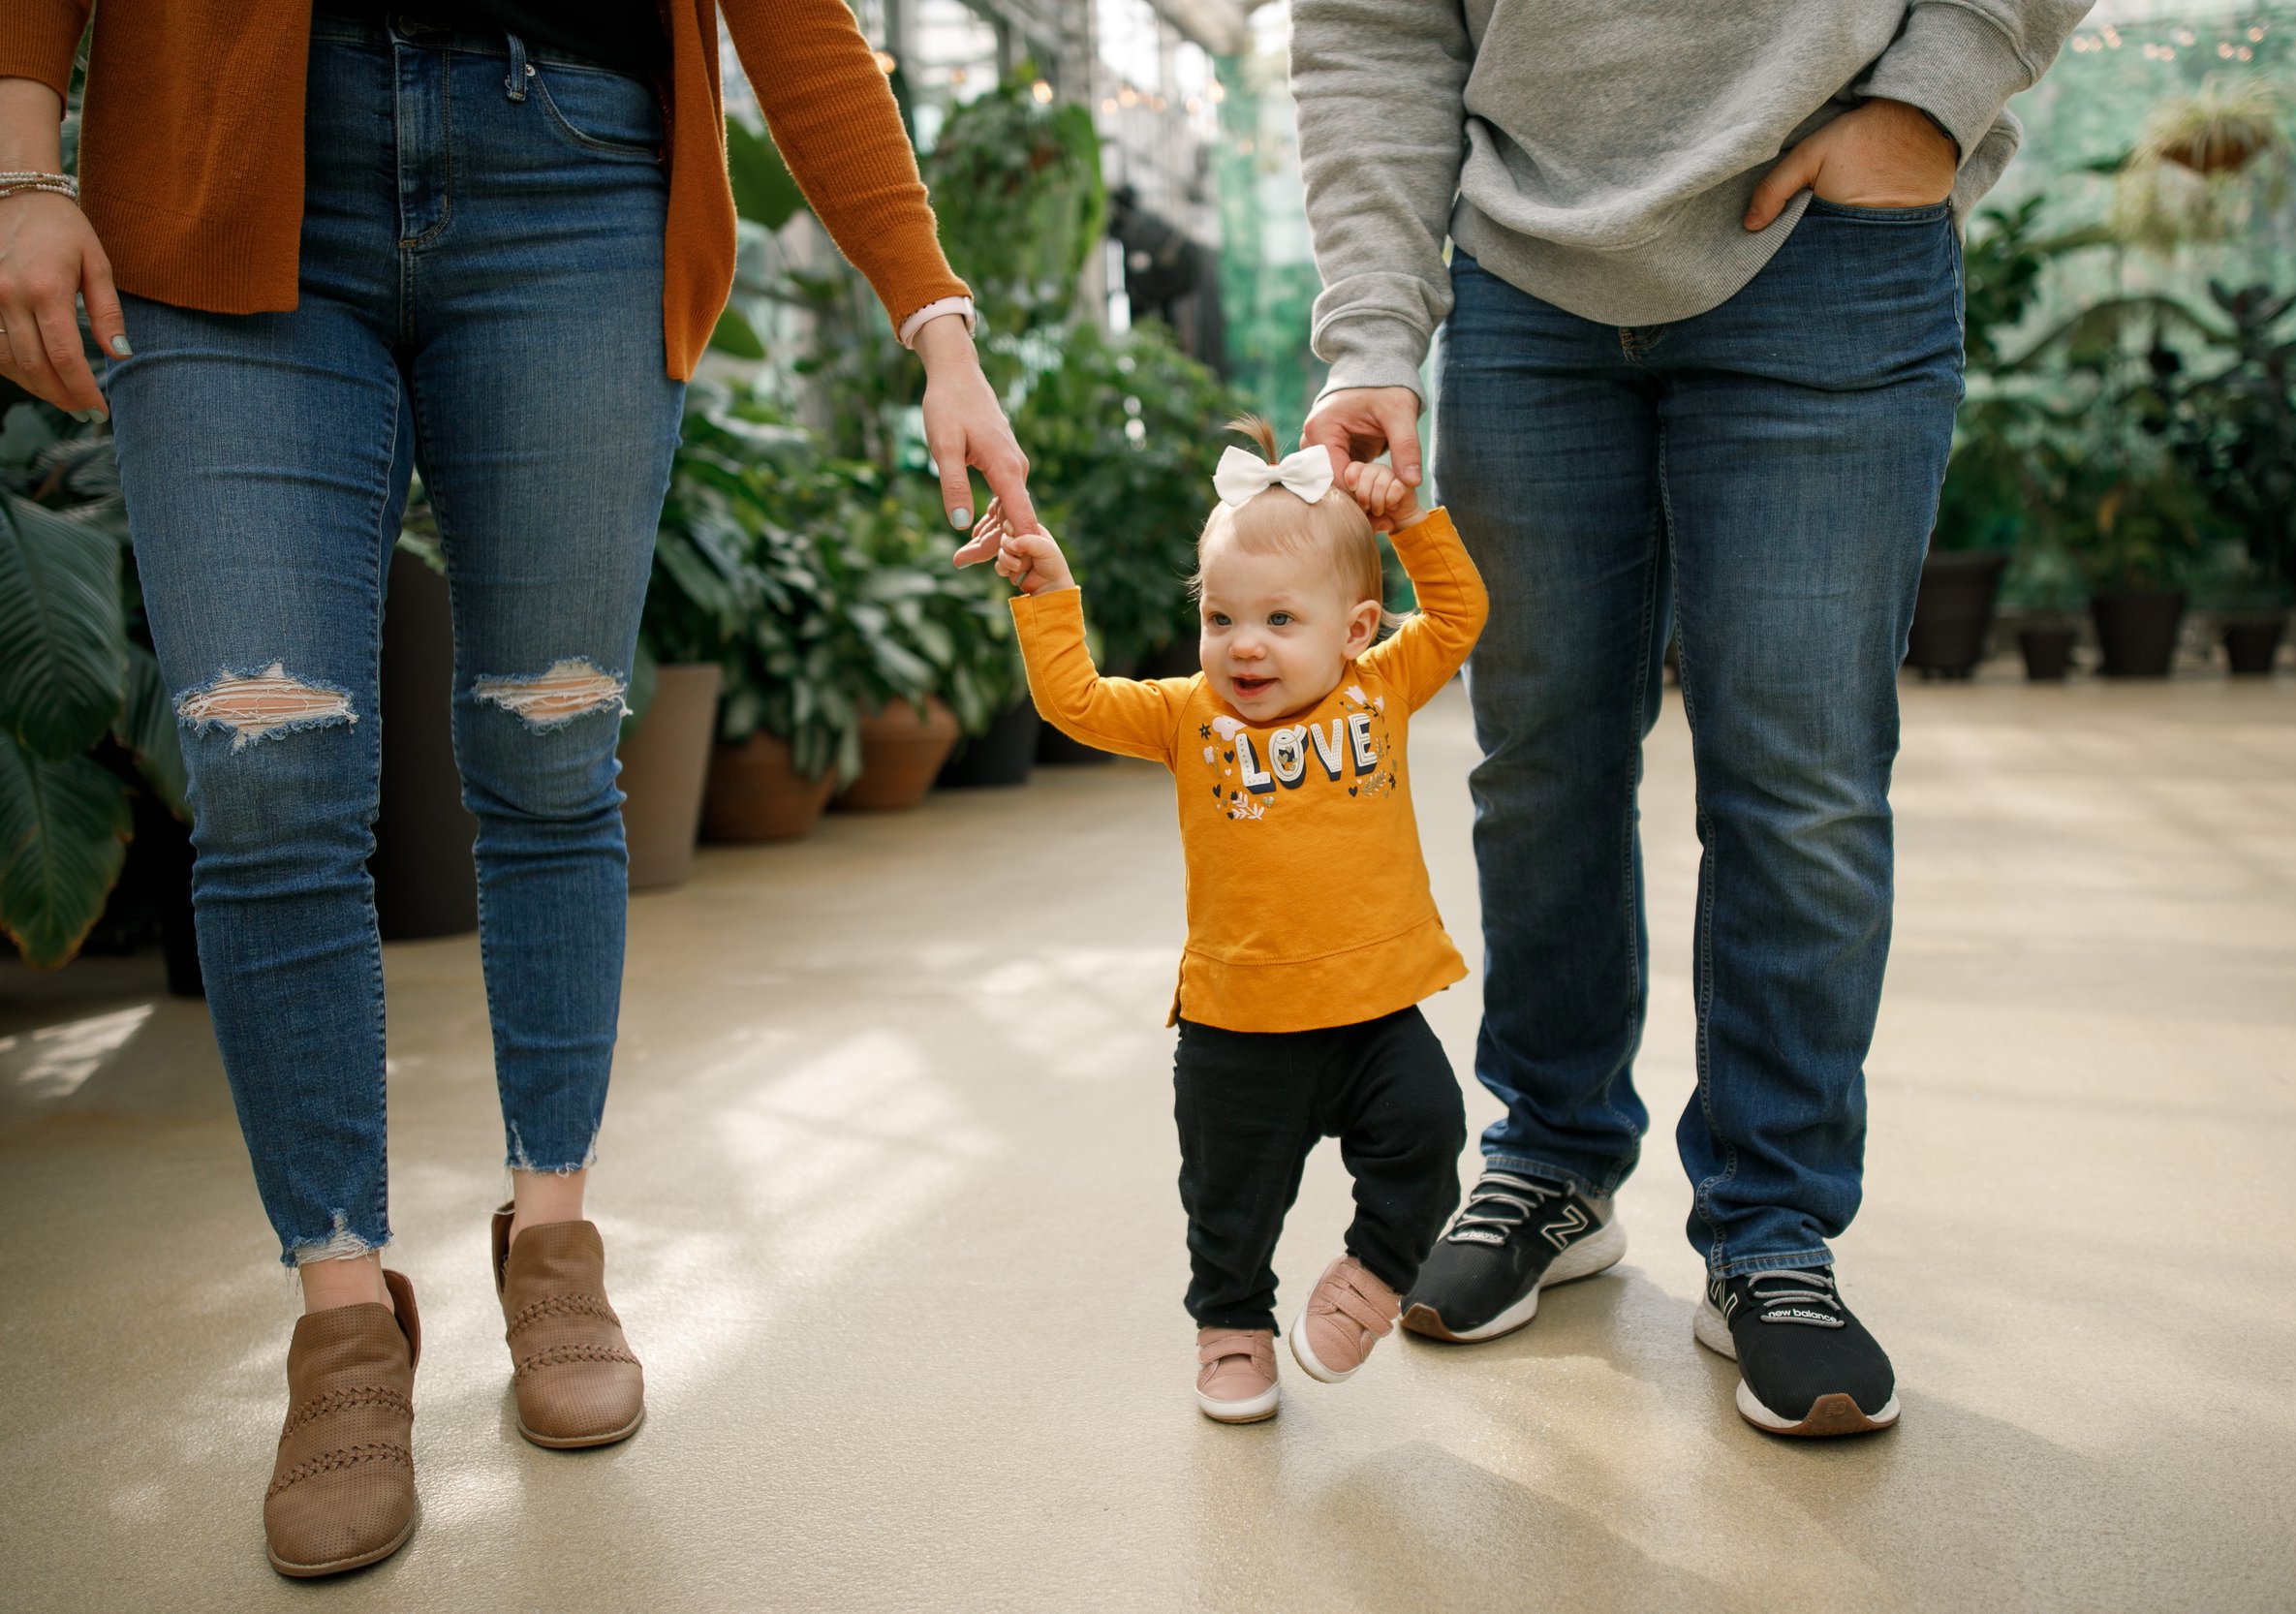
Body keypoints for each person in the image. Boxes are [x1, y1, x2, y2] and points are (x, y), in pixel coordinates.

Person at [0, 0, 1032, 1577]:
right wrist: (19, 165)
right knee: (267, 781)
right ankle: (343, 1322)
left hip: (578, 178)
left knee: (553, 757)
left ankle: (551, 1236)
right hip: (218, 175)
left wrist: (934, 317)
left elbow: (799, 18)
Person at [1288, 0, 2091, 1436]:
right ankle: (1553, 1157)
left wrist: (1933, 95)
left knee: (1802, 776)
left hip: (1829, 251)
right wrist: (1372, 337)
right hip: (1528, 273)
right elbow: (1375, 27)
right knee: (1539, 759)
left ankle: (1774, 1228)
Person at [965, 419, 1484, 1422]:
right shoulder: (1185, 715)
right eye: (1220, 618)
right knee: (1228, 1202)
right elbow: (1074, 701)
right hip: (1236, 1026)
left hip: (1373, 1010)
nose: (1242, 645)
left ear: (1356, 628)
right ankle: (1232, 1327)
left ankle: (1373, 1277)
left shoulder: (1380, 690)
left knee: (1428, 1134)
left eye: (1281, 619)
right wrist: (1048, 593)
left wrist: (1410, 520)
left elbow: (1459, 615)